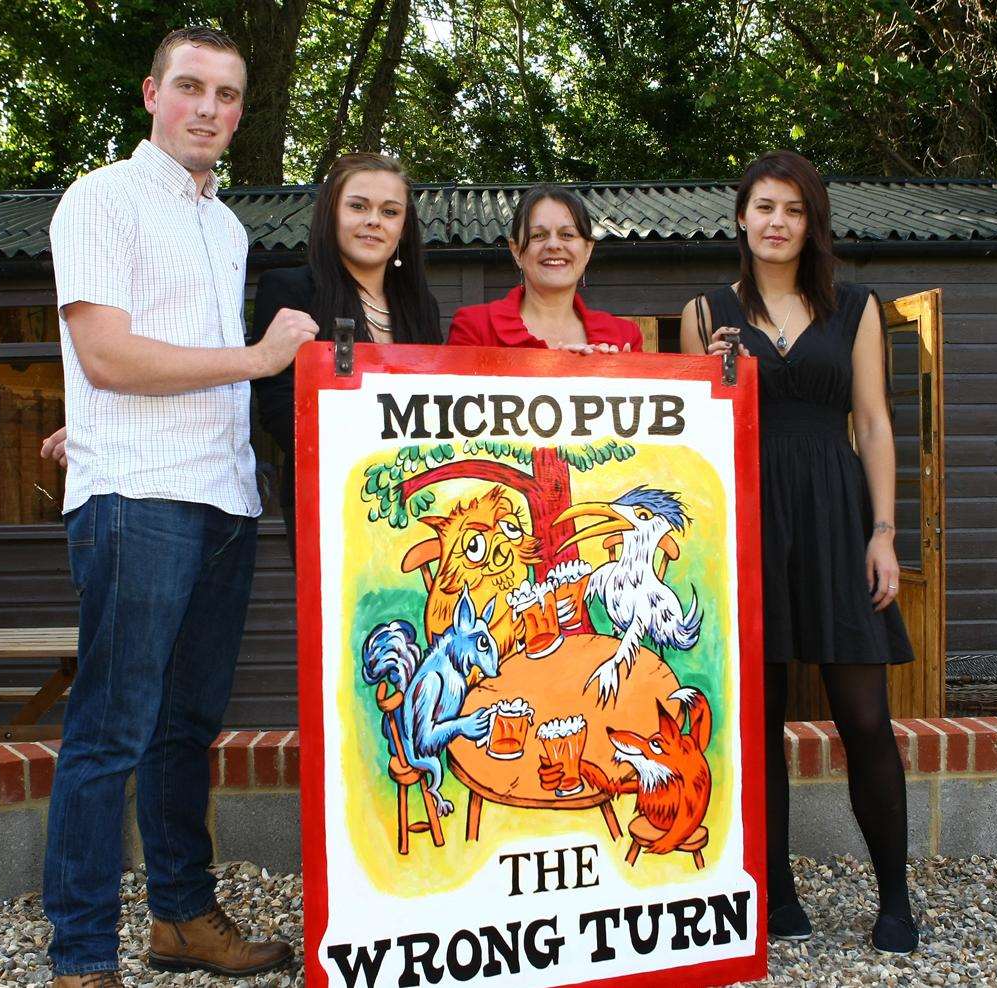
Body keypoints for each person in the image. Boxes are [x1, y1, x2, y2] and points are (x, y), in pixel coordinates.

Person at [42, 26, 318, 987]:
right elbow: (108, 355)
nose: (209, 108)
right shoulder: (100, 199)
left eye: (229, 95)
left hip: (222, 495)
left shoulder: (225, 225)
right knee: (110, 729)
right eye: (192, 88)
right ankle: (79, 958)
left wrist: (84, 421)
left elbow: (145, 364)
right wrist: (255, 358)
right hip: (139, 499)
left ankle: (181, 921)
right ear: (153, 93)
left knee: (185, 727)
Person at [680, 150, 919, 954]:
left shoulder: (854, 306)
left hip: (834, 514)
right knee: (758, 718)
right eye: (763, 207)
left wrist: (884, 533)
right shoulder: (702, 311)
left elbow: (875, 423)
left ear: (811, 223)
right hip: (744, 522)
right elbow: (690, 438)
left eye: (793, 209)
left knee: (864, 716)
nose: (776, 221)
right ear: (740, 218)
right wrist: (714, 375)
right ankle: (775, 894)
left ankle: (894, 897)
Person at [250, 152, 442, 553]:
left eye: (390, 212)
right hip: (327, 498)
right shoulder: (290, 290)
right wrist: (361, 462)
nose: (374, 220)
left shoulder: (421, 305)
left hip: (419, 503)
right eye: (358, 206)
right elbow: (278, 406)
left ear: (403, 228)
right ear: (330, 214)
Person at [447, 185, 642, 353]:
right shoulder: (474, 327)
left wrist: (618, 373)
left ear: (588, 249)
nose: (554, 245)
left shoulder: (626, 336)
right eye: (538, 236)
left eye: (567, 234)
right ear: (516, 251)